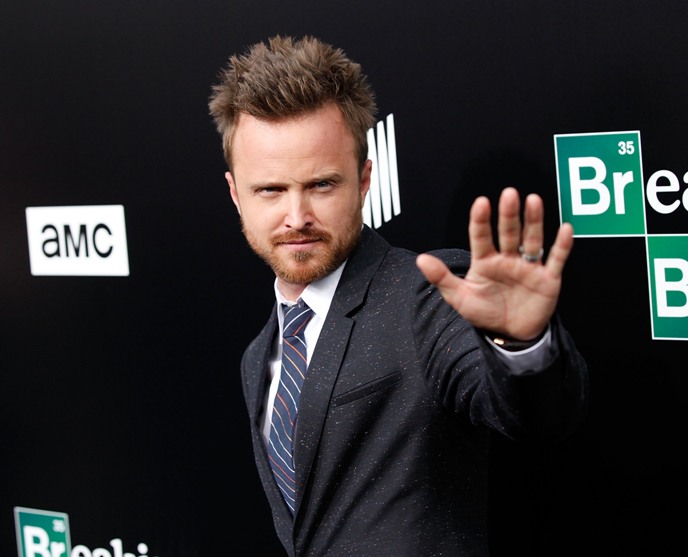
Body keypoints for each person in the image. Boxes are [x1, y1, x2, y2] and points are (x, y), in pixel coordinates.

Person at [208, 34, 588, 556]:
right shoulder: (259, 357)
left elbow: (536, 417)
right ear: (236, 193)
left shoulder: (425, 297)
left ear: (365, 179)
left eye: (321, 185)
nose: (297, 217)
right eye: (270, 190)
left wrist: (521, 344)